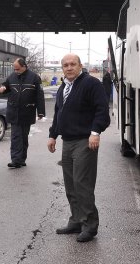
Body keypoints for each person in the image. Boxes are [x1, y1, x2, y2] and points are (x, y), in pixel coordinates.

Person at [47, 53, 110, 243]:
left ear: (80, 65)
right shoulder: (63, 87)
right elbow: (58, 113)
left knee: (83, 184)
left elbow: (102, 110)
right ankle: (76, 220)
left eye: (72, 64)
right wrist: (52, 135)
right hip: (68, 141)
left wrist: (95, 132)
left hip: (85, 140)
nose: (69, 67)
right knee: (71, 184)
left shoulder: (91, 84)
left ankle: (90, 225)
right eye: (65, 65)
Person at [0, 58, 45, 168]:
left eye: (17, 69)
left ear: (24, 66)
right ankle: (15, 160)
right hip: (14, 112)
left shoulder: (34, 77)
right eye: (14, 69)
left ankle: (22, 159)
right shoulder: (11, 77)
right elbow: (5, 86)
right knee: (16, 136)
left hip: (27, 112)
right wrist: (2, 88)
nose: (16, 71)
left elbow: (40, 95)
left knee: (24, 137)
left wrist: (41, 112)